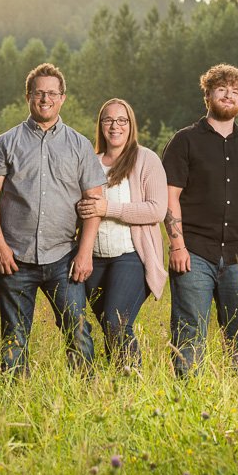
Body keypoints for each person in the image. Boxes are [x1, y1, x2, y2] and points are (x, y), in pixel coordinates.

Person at [0, 63, 107, 375]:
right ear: (28, 96)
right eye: (39, 93)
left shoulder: (79, 145)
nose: (45, 98)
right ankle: (14, 403)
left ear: (62, 98)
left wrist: (85, 251)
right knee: (13, 338)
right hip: (14, 257)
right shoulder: (5, 142)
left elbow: (95, 202)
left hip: (64, 257)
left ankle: (82, 398)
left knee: (78, 334)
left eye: (52, 93)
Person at [162, 64, 238, 377]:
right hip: (193, 253)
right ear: (208, 94)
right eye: (221, 89)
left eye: (235, 92)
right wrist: (177, 246)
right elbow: (171, 198)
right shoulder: (185, 141)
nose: (228, 95)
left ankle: (236, 394)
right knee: (189, 330)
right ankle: (188, 399)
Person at [76, 98, 168, 367]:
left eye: (121, 120)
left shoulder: (146, 159)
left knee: (117, 320)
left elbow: (156, 210)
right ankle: (116, 384)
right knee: (108, 324)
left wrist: (108, 208)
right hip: (94, 257)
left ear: (130, 125)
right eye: (108, 120)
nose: (114, 126)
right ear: (100, 125)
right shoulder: (90, 162)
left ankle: (131, 381)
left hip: (130, 256)